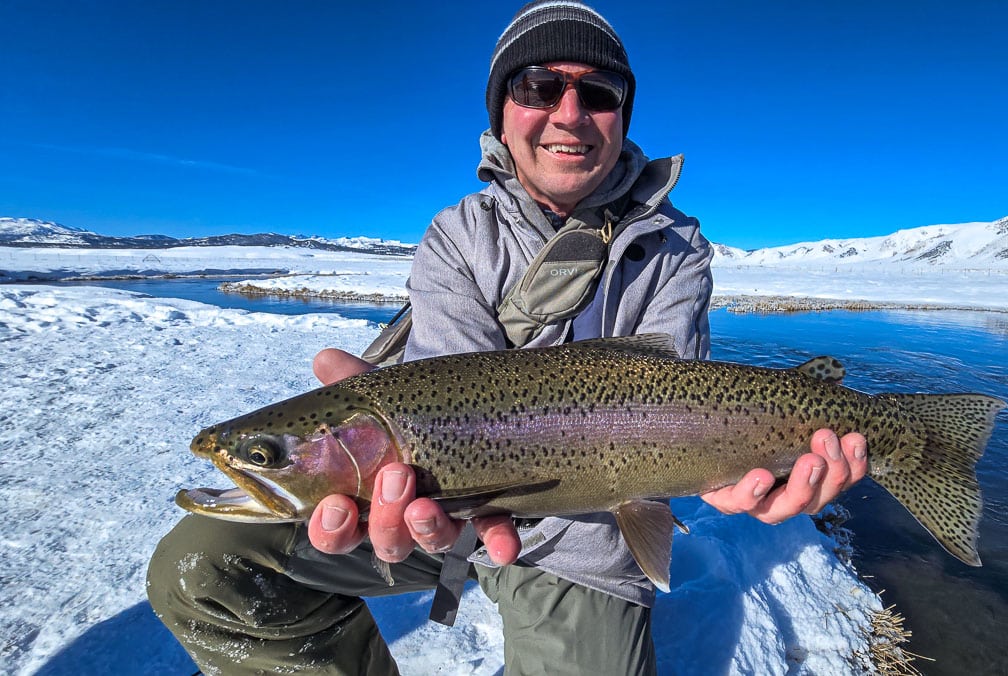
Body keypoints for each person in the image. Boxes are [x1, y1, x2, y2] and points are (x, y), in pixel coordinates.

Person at [148, 2, 868, 674]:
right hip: (433, 511)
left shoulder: (676, 249)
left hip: (589, 544)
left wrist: (767, 459)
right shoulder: (459, 236)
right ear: (502, 108)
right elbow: (446, 386)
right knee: (203, 565)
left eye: (599, 93)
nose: (569, 113)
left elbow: (678, 397)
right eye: (539, 86)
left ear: (621, 113)